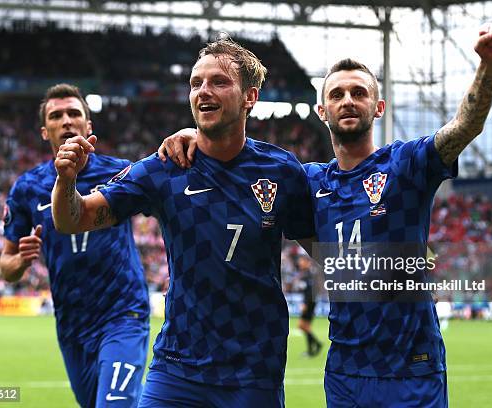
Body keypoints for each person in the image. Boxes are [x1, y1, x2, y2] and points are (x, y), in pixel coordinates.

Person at [158, 23, 492, 408]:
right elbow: (242, 165)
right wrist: (197, 136)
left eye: (359, 93)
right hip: (344, 369)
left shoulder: (407, 164)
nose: (347, 100)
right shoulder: (306, 180)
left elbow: (465, 127)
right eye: (337, 94)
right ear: (321, 110)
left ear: (378, 108)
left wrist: (490, 66)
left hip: (412, 364)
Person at [51, 38, 314, 408]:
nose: (203, 91)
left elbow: (325, 250)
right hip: (178, 369)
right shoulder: (164, 167)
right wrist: (66, 181)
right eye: (196, 83)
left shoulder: (282, 170)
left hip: (254, 372)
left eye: (219, 82)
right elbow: (74, 219)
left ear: (250, 97)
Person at [0, 84, 150, 408]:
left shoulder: (120, 171)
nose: (66, 120)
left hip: (123, 314)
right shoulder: (27, 187)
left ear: (88, 126)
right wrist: (21, 262)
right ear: (44, 131)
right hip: (72, 324)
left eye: (73, 113)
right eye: (56, 115)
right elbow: (6, 266)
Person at [296, 255, 322, 357]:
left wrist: (305, 304)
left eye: (301, 261)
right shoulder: (306, 274)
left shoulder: (308, 275)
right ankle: (311, 350)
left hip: (309, 304)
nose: (300, 263)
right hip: (310, 303)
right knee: (305, 326)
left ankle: (317, 345)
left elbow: (311, 292)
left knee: (302, 326)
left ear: (307, 262)